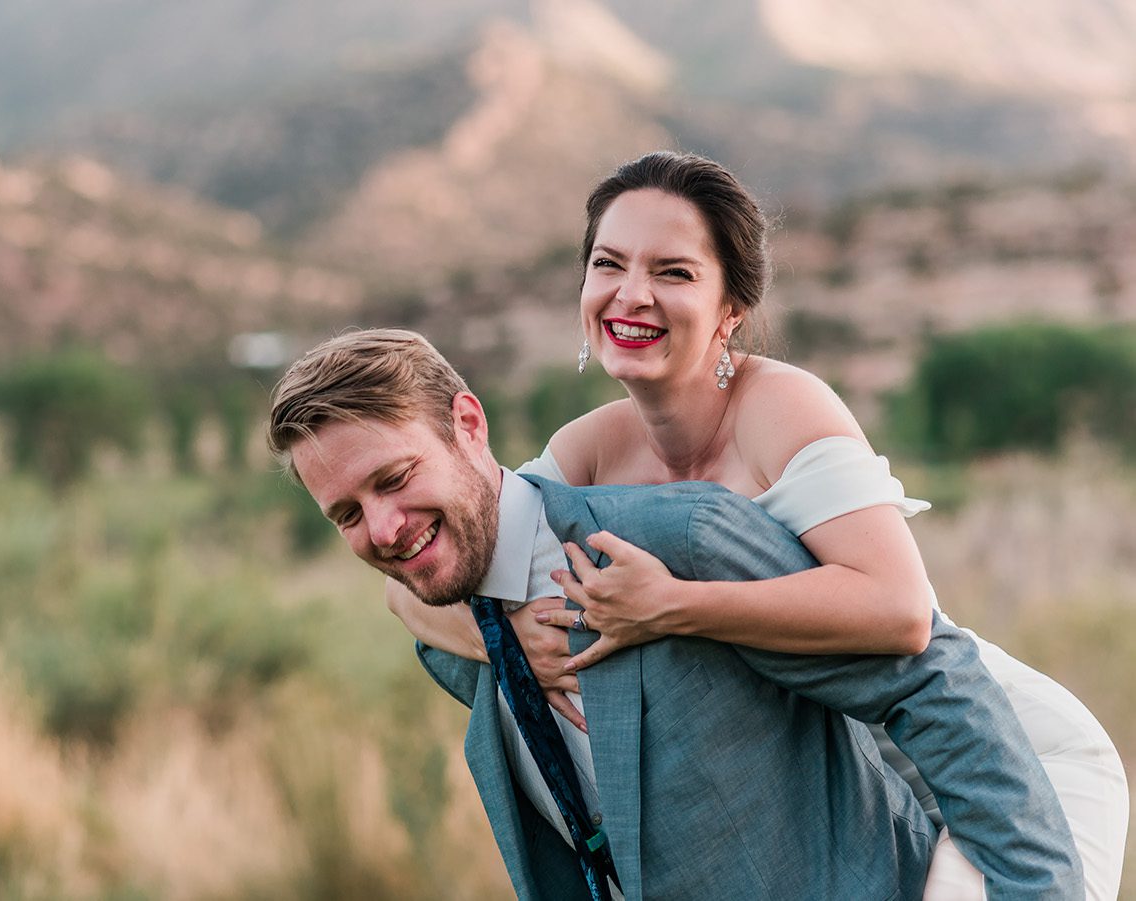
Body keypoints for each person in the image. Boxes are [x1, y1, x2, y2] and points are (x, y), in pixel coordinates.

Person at [387, 152, 1129, 899]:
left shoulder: (780, 408)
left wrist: (673, 606)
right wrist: (509, 638)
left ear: (731, 308)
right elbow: (426, 586)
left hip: (1000, 752)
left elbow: (900, 614)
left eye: (673, 273)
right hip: (849, 772)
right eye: (608, 264)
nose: (631, 294)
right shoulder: (589, 448)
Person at [266, 328, 1083, 900]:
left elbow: (934, 683)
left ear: (468, 426)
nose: (382, 528)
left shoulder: (676, 535)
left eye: (395, 477)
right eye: (345, 514)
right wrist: (496, 635)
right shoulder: (460, 635)